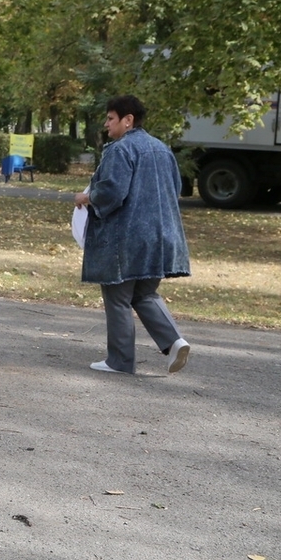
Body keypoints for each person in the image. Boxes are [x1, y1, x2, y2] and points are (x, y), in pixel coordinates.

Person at [73, 95, 191, 375]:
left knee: (117, 297)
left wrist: (86, 197)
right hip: (162, 238)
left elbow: (112, 192)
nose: (106, 124)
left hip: (125, 239)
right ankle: (175, 342)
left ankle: (120, 361)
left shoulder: (120, 149)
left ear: (128, 120)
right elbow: (174, 189)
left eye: (111, 118)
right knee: (145, 294)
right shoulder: (163, 149)